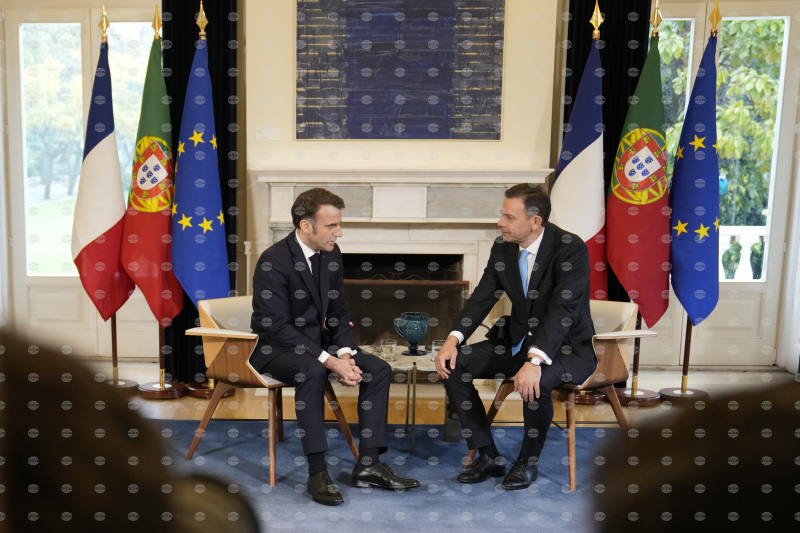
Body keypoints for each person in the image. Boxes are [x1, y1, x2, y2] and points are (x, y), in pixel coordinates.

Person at [250, 187, 419, 506]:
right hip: (275, 348)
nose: (339, 233)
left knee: (378, 369)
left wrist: (344, 354)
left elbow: (338, 312)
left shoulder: (332, 254)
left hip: (319, 344)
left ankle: (369, 464)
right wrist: (329, 361)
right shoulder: (273, 261)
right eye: (332, 226)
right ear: (306, 226)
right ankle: (317, 472)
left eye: (339, 225)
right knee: (312, 371)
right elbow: (277, 327)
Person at [435, 183, 597, 490]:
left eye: (509, 217)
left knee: (537, 382)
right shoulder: (503, 247)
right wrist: (452, 340)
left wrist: (535, 361)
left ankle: (527, 463)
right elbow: (482, 297)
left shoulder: (570, 248)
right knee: (454, 366)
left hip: (564, 349)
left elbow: (563, 311)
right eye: (502, 215)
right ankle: (488, 456)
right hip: (516, 342)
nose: (500, 223)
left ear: (535, 221)